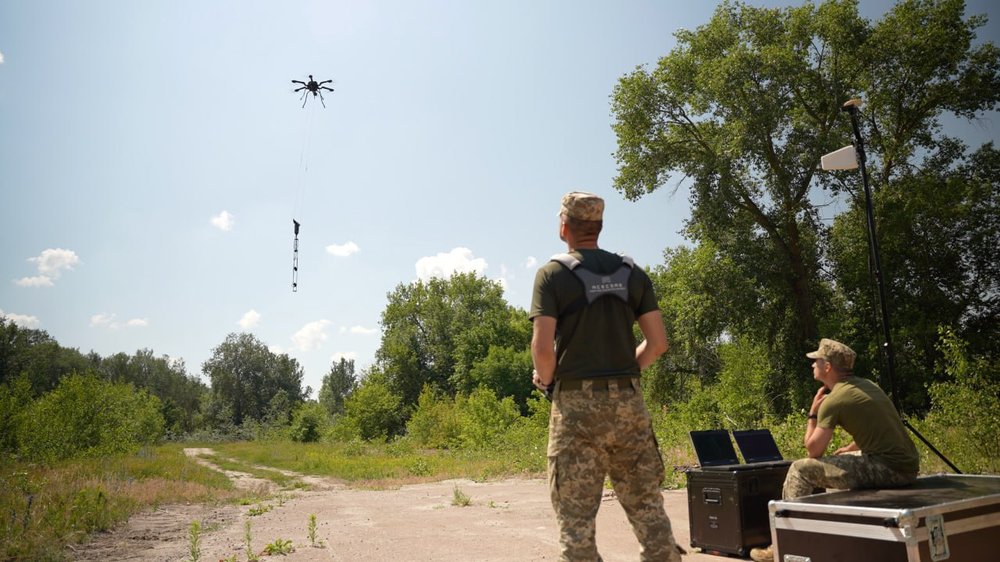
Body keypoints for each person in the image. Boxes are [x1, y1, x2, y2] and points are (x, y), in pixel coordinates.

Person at [530, 191, 683, 562]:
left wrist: (547, 380)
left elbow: (543, 349)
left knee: (576, 518)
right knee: (647, 506)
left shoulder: (552, 275)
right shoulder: (632, 274)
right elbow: (658, 343)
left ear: (564, 226)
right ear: (598, 227)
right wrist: (626, 371)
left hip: (576, 409)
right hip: (629, 406)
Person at [749, 338, 920, 562]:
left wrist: (812, 413)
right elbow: (878, 427)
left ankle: (783, 544)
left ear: (827, 366)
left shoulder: (834, 400)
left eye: (816, 361)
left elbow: (813, 450)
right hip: (907, 464)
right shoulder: (867, 385)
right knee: (841, 459)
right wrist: (850, 448)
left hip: (889, 469)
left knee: (800, 469)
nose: (812, 365)